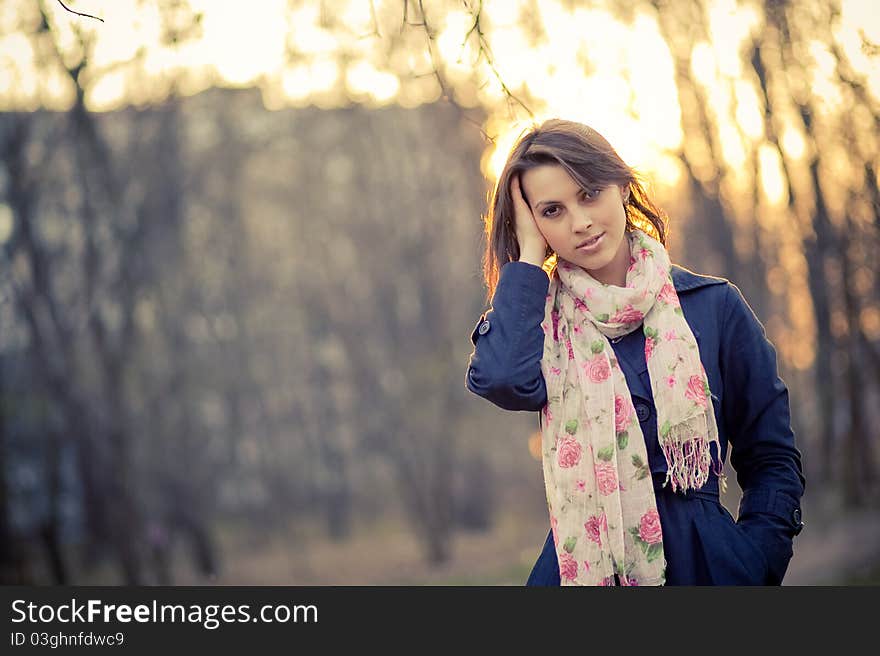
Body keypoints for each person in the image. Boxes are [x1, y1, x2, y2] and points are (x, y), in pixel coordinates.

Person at [464, 119, 806, 586]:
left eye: (588, 194)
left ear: (622, 187)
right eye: (552, 211)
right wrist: (527, 258)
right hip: (581, 571)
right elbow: (502, 378)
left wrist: (754, 562)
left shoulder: (713, 307)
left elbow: (772, 458)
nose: (580, 222)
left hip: (708, 568)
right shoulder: (542, 325)